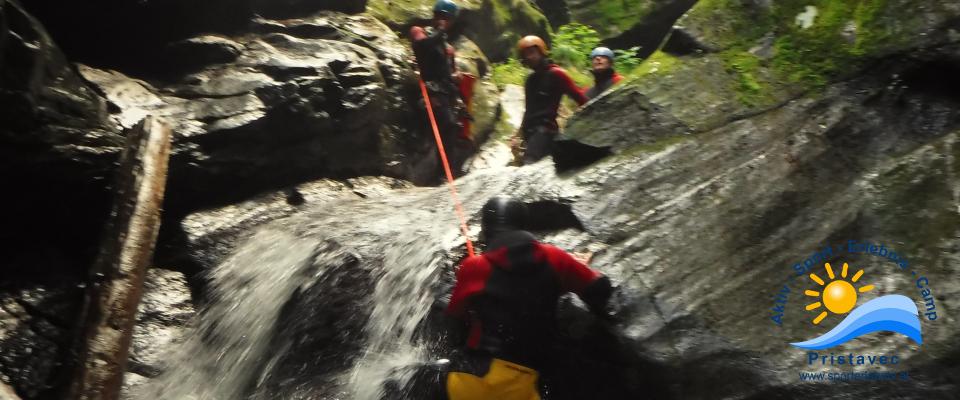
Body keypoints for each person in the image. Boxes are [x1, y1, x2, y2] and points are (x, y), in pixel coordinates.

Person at [440, 196, 617, 400]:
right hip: (530, 384)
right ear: (524, 227)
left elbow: (454, 318)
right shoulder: (554, 257)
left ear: (487, 232)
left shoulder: (475, 266)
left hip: (471, 381)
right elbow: (599, 289)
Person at [409, 0, 475, 180]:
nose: (442, 20)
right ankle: (443, 172)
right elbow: (421, 47)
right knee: (447, 124)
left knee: (456, 129)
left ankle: (448, 172)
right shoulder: (419, 31)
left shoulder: (449, 49)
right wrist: (440, 32)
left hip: (447, 92)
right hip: (430, 90)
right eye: (440, 16)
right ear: (434, 16)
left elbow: (450, 73)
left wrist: (458, 84)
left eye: (446, 18)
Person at [515, 36, 589, 165]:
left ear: (541, 52)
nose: (529, 57)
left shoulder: (557, 74)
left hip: (546, 131)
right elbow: (529, 110)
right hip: (531, 133)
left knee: (529, 164)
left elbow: (580, 98)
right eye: (525, 55)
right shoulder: (530, 80)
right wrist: (519, 135)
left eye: (532, 53)